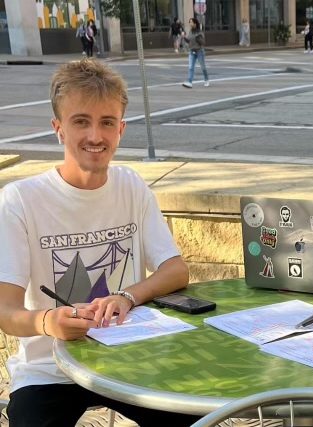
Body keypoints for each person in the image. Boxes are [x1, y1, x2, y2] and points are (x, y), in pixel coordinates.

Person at [0, 59, 199, 427]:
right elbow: (6, 312)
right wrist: (47, 322)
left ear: (121, 129)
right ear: (58, 129)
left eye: (107, 122)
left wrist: (126, 297)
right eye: (81, 121)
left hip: (131, 358)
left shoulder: (132, 186)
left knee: (197, 417)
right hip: (49, 370)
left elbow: (176, 269)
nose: (96, 136)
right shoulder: (20, 200)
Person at [182, 18, 210, 88]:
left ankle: (206, 80)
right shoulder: (190, 31)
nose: (190, 24)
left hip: (199, 51)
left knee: (203, 67)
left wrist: (199, 39)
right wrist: (184, 37)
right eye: (189, 22)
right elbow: (189, 41)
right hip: (192, 51)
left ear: (195, 23)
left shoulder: (199, 32)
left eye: (191, 22)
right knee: (191, 67)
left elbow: (203, 42)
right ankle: (189, 82)